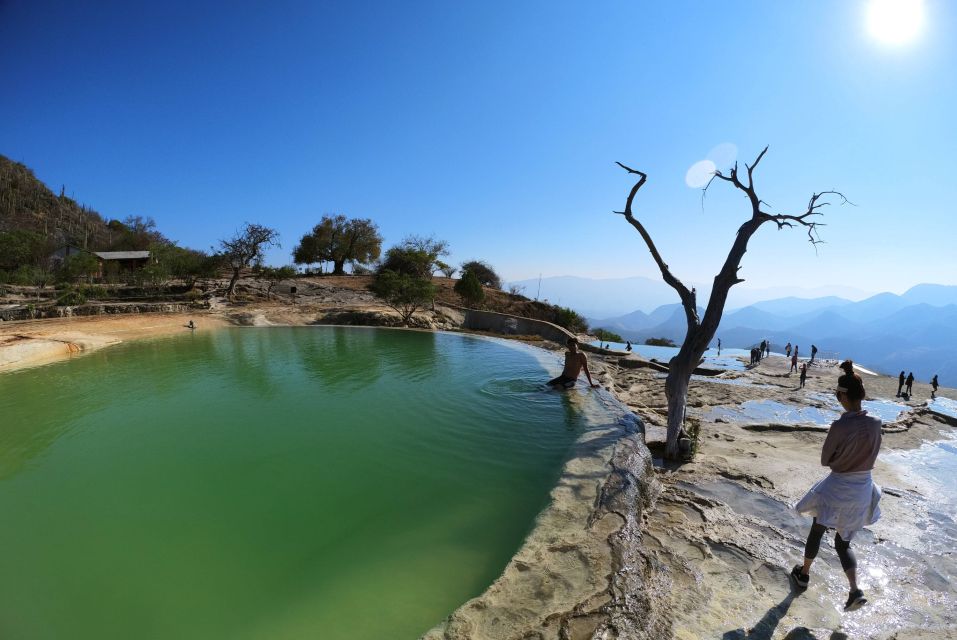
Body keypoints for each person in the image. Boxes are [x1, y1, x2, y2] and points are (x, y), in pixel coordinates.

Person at [792, 360, 882, 612]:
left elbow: (825, 460)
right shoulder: (876, 423)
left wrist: (840, 459)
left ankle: (803, 574)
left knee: (818, 529)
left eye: (837, 395)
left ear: (842, 396)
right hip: (864, 487)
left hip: (839, 485)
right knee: (843, 543)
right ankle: (855, 590)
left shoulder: (840, 425)